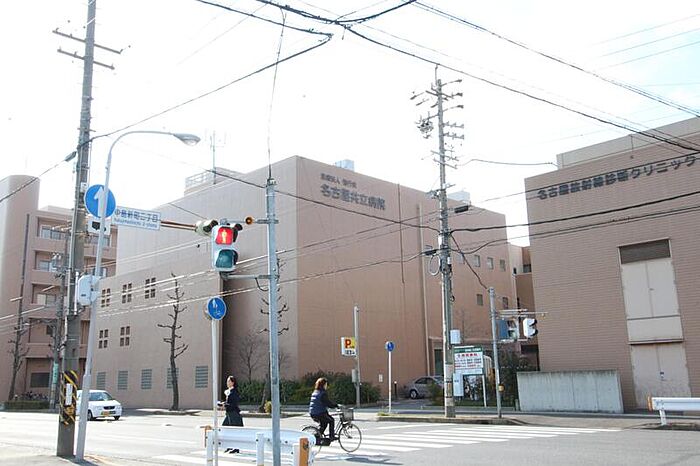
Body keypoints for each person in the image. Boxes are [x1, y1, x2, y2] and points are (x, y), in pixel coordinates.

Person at [221, 375, 243, 454]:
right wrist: (224, 404)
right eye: (227, 381)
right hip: (229, 413)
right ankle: (229, 446)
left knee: (234, 430)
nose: (227, 382)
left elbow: (234, 404)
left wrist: (225, 405)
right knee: (225, 427)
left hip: (234, 413)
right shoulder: (229, 391)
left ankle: (236, 448)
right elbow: (229, 403)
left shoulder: (234, 392)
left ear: (233, 382)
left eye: (229, 381)